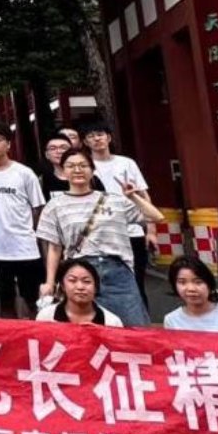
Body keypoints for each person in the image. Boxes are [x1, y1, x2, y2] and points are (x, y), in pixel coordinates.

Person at [37, 147, 163, 327]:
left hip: (117, 271)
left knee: (134, 327)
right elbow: (55, 247)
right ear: (63, 172)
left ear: (92, 169)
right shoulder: (54, 206)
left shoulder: (114, 200)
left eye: (83, 165)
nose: (77, 170)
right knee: (84, 328)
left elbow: (156, 217)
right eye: (71, 166)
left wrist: (134, 197)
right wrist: (49, 282)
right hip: (80, 273)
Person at [0, 125, 46, 317]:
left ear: (9, 144)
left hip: (25, 248)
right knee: (3, 302)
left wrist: (31, 233)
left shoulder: (25, 173)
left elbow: (38, 209)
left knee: (34, 301)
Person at [83, 120, 154, 311]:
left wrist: (151, 231)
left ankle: (140, 323)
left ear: (109, 137)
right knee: (101, 284)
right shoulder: (85, 165)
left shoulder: (126, 163)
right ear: (85, 142)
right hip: (101, 233)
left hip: (132, 231)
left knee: (136, 281)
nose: (96, 139)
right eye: (91, 136)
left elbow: (143, 195)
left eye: (100, 134)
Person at [36, 257, 118, 326]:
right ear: (63, 286)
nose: (80, 287)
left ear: (96, 287)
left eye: (86, 281)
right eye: (72, 280)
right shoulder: (46, 317)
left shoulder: (112, 322)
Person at [40, 132, 77, 198]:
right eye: (53, 148)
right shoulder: (42, 181)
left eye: (63, 147)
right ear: (47, 155)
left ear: (72, 151)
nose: (59, 151)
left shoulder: (89, 178)